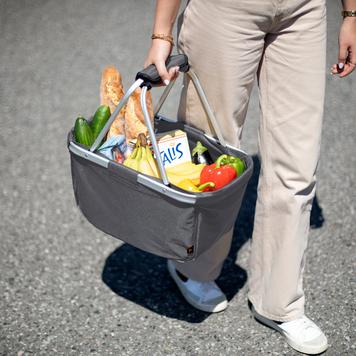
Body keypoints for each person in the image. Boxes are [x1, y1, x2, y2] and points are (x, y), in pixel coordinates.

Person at [144, 0, 356, 354]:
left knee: (297, 160)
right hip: (225, 8)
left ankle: (280, 302)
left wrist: (351, 14)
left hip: (303, 11)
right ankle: (193, 267)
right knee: (211, 150)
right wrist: (162, 32)